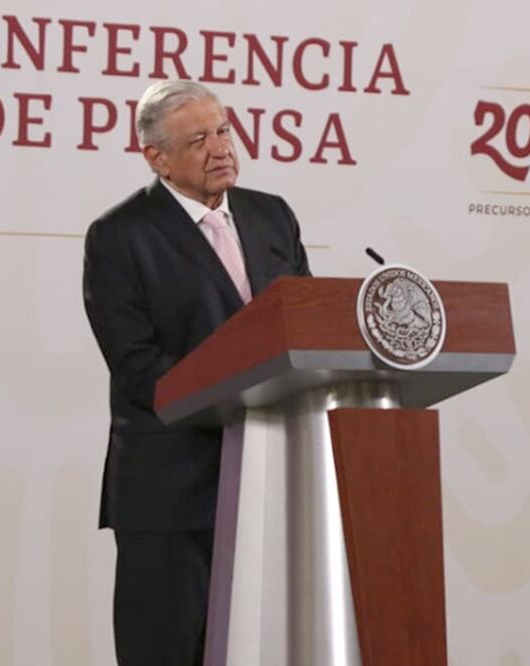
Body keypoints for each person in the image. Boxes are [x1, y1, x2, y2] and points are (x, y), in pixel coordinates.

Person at [82, 80, 310, 666]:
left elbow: (305, 328)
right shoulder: (119, 236)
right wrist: (236, 396)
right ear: (155, 157)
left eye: (225, 130)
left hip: (270, 478)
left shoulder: (272, 215)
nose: (221, 148)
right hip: (171, 490)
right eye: (199, 139)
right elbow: (136, 364)